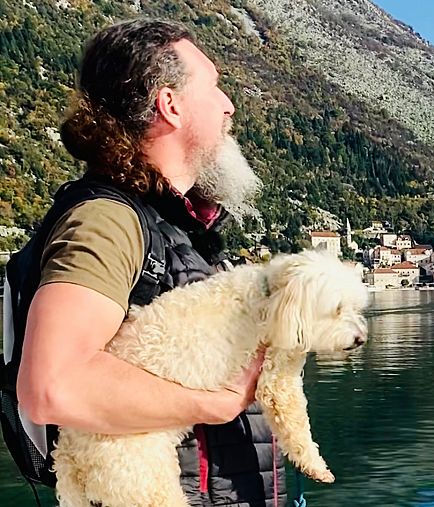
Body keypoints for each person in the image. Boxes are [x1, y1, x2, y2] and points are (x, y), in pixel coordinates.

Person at [15, 18, 286, 506]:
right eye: (216, 86)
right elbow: (52, 386)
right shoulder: (107, 222)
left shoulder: (180, 228)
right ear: (170, 104)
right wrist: (214, 404)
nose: (229, 105)